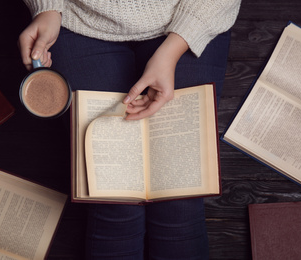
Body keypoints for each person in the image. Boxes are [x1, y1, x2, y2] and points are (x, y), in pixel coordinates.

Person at [19, 1, 241, 259]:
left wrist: (174, 48)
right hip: (77, 19)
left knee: (179, 200)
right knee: (114, 200)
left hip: (192, 13)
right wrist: (47, 7)